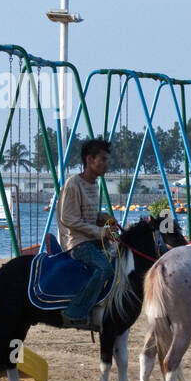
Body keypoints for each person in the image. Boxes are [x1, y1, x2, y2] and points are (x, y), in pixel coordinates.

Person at [56, 138, 119, 324]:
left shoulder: (93, 185)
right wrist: (101, 232)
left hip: (91, 239)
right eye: (103, 159)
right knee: (104, 268)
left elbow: (87, 213)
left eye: (107, 160)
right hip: (76, 242)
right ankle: (75, 313)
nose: (106, 164)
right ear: (89, 160)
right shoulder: (73, 184)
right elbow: (68, 218)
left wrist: (103, 217)